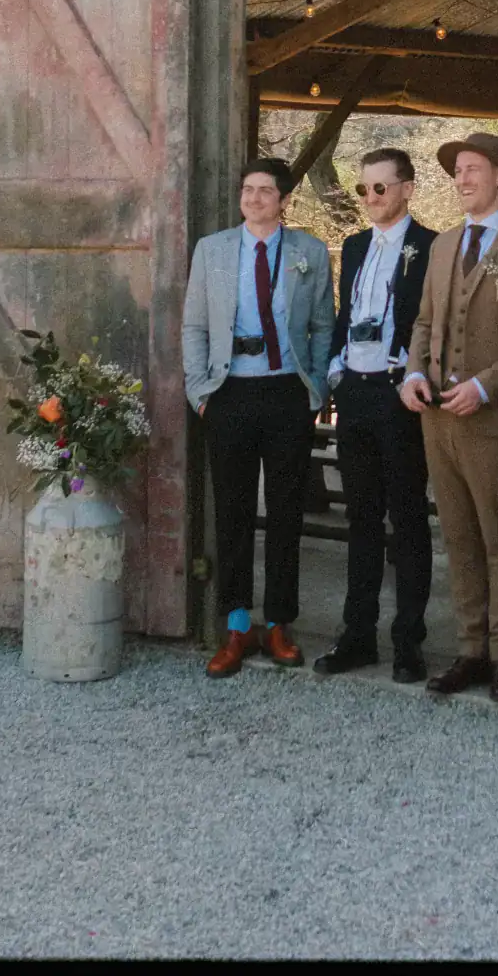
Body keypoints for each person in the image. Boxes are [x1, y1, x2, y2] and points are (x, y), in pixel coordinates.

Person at [400, 132, 498, 704]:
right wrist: (413, 373)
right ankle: (470, 650)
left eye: (472, 169)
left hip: (494, 421)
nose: (462, 179)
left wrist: (486, 386)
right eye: (457, 171)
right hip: (437, 418)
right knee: (459, 540)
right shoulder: (442, 246)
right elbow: (423, 323)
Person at [182, 157, 335, 676]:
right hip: (230, 393)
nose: (253, 199)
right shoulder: (214, 250)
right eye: (247, 190)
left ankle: (279, 623)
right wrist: (201, 390)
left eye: (264, 191)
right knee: (233, 513)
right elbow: (194, 325)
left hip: (287, 393)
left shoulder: (309, 252)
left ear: (283, 199)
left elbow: (322, 325)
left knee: (289, 512)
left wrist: (315, 390)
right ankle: (238, 624)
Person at [313, 148, 437, 685]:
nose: (369, 199)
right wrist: (336, 367)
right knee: (361, 518)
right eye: (363, 189)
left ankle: (408, 641)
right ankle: (357, 634)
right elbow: (347, 313)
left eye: (380, 189)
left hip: (398, 393)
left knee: (406, 518)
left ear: (407, 189)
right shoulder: (356, 244)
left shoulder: (430, 247)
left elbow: (432, 322)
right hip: (355, 393)